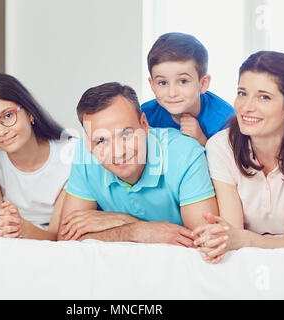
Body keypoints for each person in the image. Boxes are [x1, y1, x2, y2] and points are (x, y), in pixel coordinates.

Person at [192, 51, 284, 263]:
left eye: (264, 97)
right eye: (242, 93)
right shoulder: (220, 146)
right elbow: (233, 232)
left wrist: (247, 240)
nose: (246, 106)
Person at [57, 82, 222, 247]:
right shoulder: (84, 155)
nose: (118, 152)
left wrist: (125, 223)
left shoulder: (184, 153)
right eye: (101, 140)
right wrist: (133, 230)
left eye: (126, 134)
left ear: (144, 124)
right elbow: (66, 240)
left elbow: (204, 243)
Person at [0, 73, 75, 239]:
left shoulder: (69, 155)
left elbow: (56, 236)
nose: (1, 131)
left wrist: (23, 229)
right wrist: (2, 228)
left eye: (8, 115)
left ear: (29, 113)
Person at [141, 32, 235, 146]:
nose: (172, 93)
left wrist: (202, 141)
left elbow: (229, 163)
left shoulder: (226, 121)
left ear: (203, 83)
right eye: (163, 82)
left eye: (183, 81)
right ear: (153, 85)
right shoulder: (145, 116)